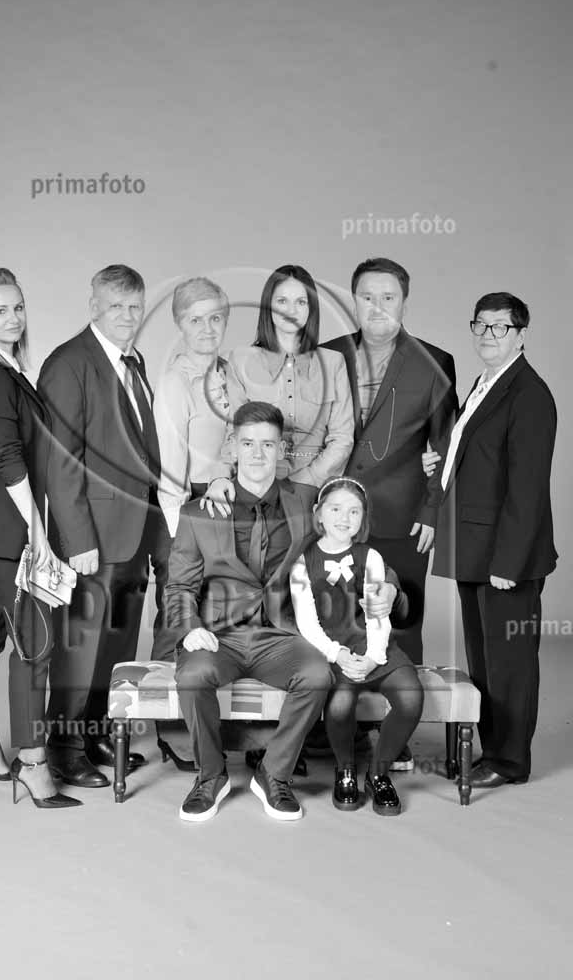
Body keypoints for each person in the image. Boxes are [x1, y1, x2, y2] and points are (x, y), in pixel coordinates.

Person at [0, 268, 80, 809]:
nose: (13, 318)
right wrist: (38, 531)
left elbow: (0, 452)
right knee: (35, 645)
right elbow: (6, 456)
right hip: (11, 530)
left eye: (18, 307)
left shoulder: (4, 371)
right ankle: (33, 761)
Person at [166, 402, 336, 822]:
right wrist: (189, 628)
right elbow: (179, 586)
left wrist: (383, 582)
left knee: (317, 675)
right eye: (248, 443)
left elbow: (348, 538)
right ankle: (211, 776)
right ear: (232, 447)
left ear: (282, 449)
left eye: (268, 444)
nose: (258, 454)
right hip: (218, 636)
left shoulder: (306, 505)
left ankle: (273, 774)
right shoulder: (197, 513)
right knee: (192, 676)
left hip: (277, 636)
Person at [321, 257, 457, 769]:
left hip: (403, 515)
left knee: (401, 618)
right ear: (353, 301)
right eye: (367, 297)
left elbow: (445, 445)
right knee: (338, 618)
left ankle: (394, 737)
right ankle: (340, 729)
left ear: (404, 301)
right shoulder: (328, 354)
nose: (377, 307)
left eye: (388, 297)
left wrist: (433, 509)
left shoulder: (434, 361)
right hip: (334, 516)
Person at [37, 264, 170, 788]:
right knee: (81, 645)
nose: (127, 316)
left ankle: (94, 735)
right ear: (93, 306)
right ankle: (63, 747)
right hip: (92, 536)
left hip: (135, 531)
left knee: (115, 645)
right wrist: (78, 540)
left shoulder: (133, 361)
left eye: (135, 306)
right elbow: (60, 460)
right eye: (115, 305)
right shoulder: (69, 364)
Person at [425, 293, 557, 788]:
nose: (487, 335)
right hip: (473, 549)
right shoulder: (485, 384)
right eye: (480, 325)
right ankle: (491, 750)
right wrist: (440, 462)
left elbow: (528, 488)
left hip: (505, 557)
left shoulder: (529, 394)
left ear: (521, 334)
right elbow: (474, 455)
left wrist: (509, 563)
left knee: (509, 664)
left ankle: (510, 761)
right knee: (483, 660)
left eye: (499, 327)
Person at [290, 477, 423, 815]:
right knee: (339, 706)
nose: (344, 518)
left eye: (354, 511)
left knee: (410, 697)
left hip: (374, 646)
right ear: (319, 513)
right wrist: (337, 654)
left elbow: (378, 614)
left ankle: (378, 774)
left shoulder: (371, 557)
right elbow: (307, 623)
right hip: (332, 651)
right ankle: (345, 769)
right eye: (335, 509)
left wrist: (374, 656)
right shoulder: (303, 563)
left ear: (363, 518)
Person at [207, 264, 354, 490]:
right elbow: (234, 433)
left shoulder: (333, 363)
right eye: (282, 301)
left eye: (301, 302)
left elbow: (342, 439)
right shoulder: (241, 359)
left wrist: (306, 481)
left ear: (311, 308)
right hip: (257, 485)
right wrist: (220, 477)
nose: (291, 310)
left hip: (312, 489)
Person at [154, 277, 231, 542]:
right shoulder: (175, 383)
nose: (207, 329)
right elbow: (172, 471)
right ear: (180, 324)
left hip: (234, 500)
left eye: (215, 318)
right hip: (198, 505)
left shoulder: (232, 374)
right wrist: (181, 537)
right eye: (195, 320)